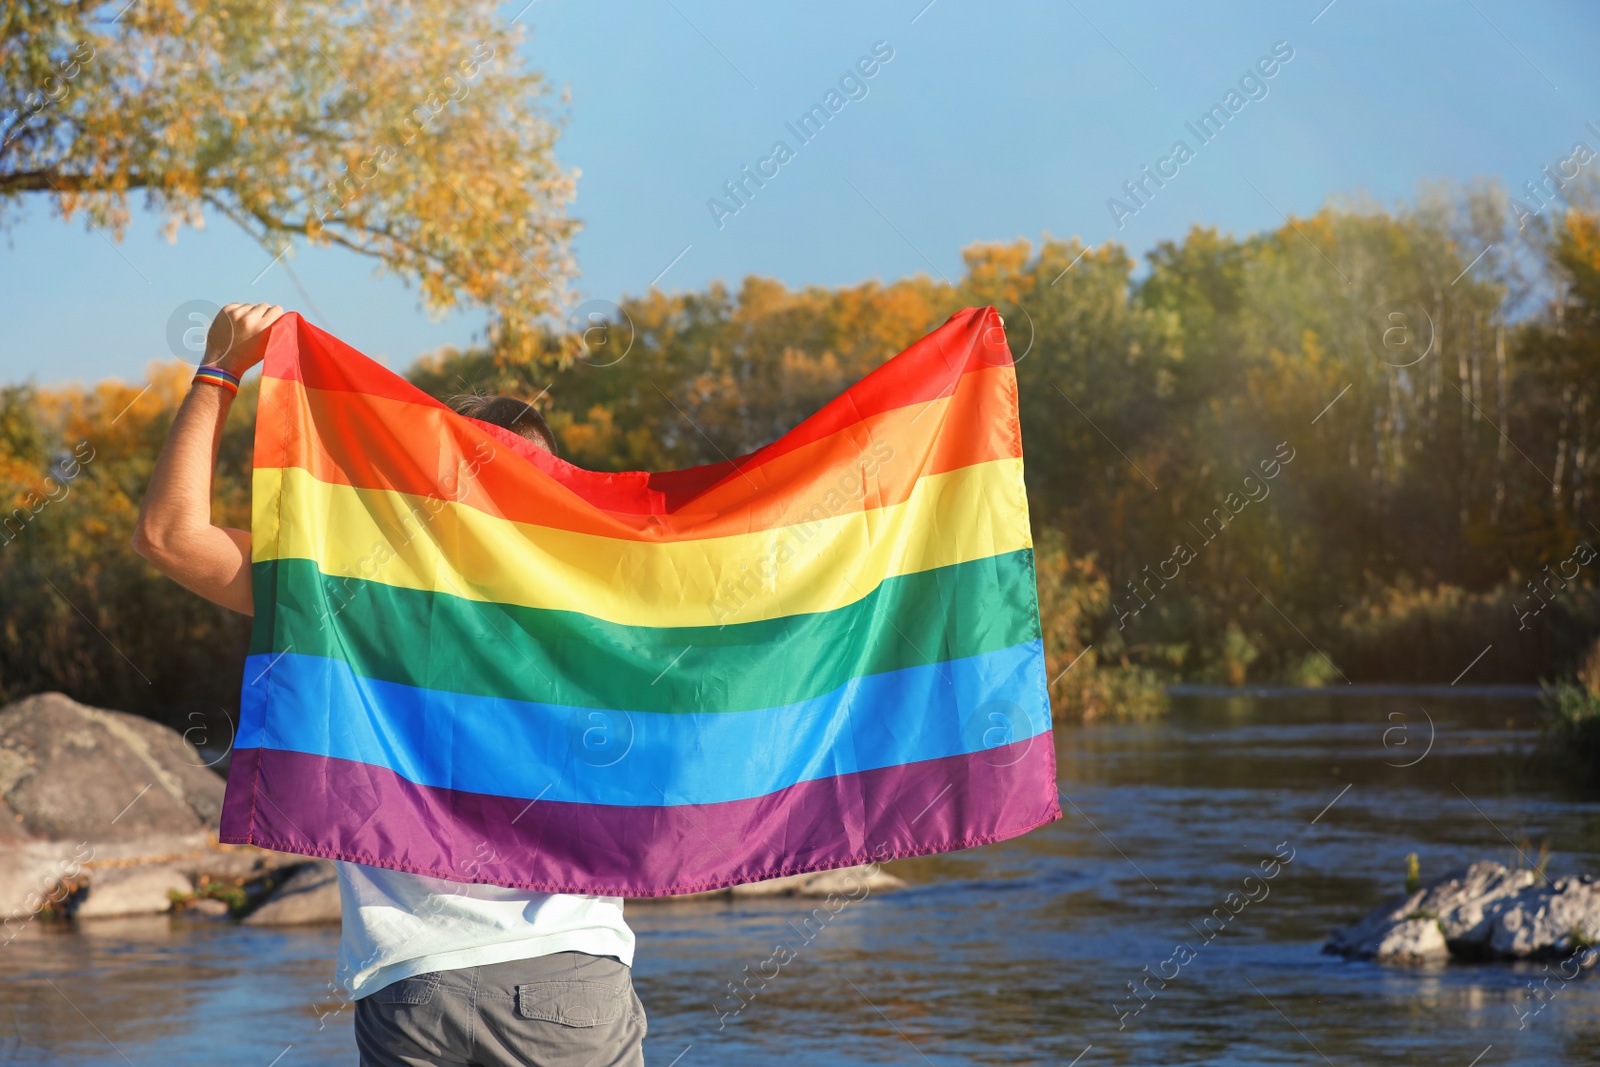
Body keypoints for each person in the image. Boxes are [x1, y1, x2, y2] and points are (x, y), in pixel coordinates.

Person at [134, 302, 646, 1067]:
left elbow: (170, 536)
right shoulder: (613, 604)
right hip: (568, 979)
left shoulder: (353, 596)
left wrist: (219, 370)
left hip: (413, 991)